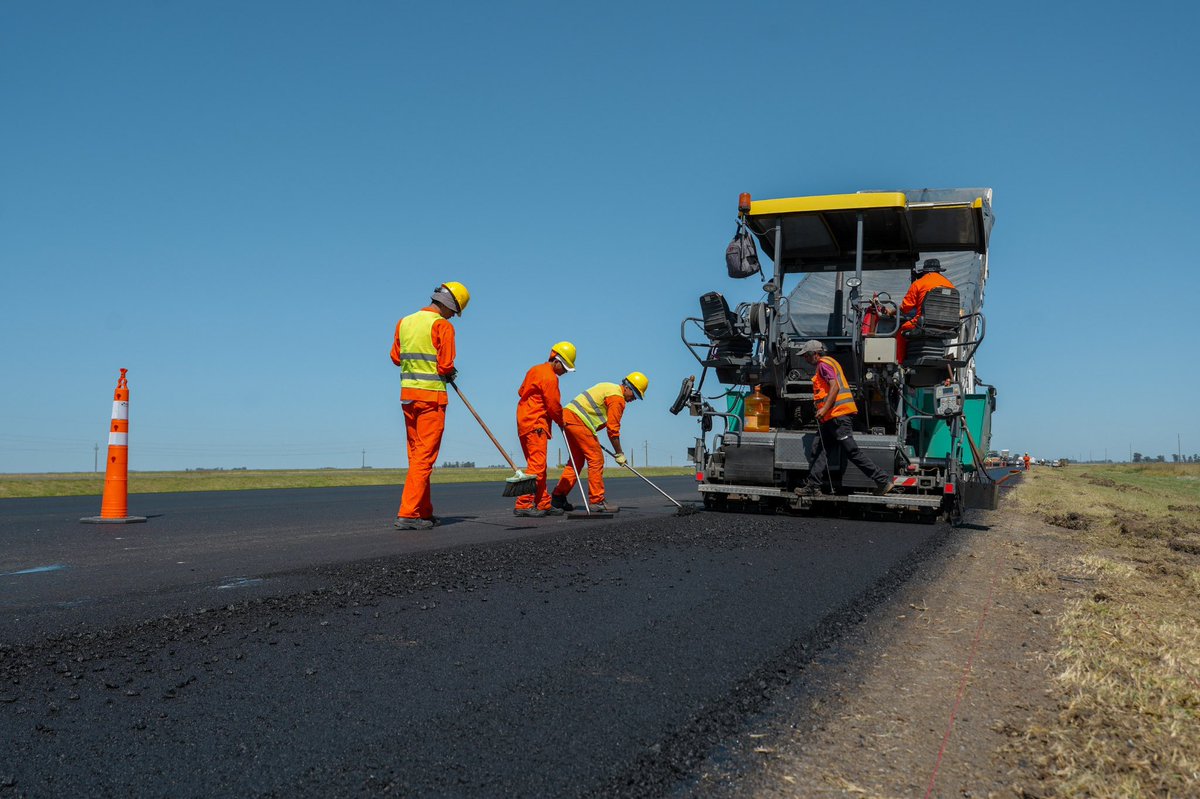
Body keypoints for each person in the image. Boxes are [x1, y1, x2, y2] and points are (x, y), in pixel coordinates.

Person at [389, 281, 470, 530]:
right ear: (450, 305)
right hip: (431, 399)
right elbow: (445, 365)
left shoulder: (405, 321)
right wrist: (450, 371)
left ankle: (424, 511)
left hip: (408, 398)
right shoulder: (442, 326)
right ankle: (408, 514)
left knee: (416, 457)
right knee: (424, 458)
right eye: (454, 312)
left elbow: (395, 357)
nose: (453, 317)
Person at [795, 341, 893, 496]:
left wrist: (824, 409)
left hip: (838, 417)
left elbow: (834, 387)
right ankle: (813, 486)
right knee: (819, 450)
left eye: (806, 356)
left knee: (852, 452)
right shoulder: (829, 362)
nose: (805, 359)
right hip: (831, 419)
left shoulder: (823, 365)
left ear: (815, 354)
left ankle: (882, 480)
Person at [550, 372, 649, 514]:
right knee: (596, 459)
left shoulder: (609, 387)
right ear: (627, 387)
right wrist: (619, 453)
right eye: (634, 394)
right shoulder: (617, 399)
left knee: (577, 461)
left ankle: (558, 497)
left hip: (567, 417)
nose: (633, 399)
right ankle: (597, 501)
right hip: (578, 421)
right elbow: (613, 430)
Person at [513, 341, 577, 517]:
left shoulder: (534, 370)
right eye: (564, 368)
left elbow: (521, 391)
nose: (564, 372)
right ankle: (524, 504)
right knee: (537, 466)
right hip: (536, 424)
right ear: (556, 361)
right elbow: (554, 405)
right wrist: (561, 421)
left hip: (524, 422)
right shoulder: (550, 377)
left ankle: (543, 502)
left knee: (538, 465)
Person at [881, 258, 956, 363]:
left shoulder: (919, 283)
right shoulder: (950, 285)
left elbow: (905, 308)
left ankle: (899, 363)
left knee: (902, 329)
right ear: (939, 271)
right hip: (946, 326)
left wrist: (891, 312)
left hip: (923, 324)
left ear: (924, 272)